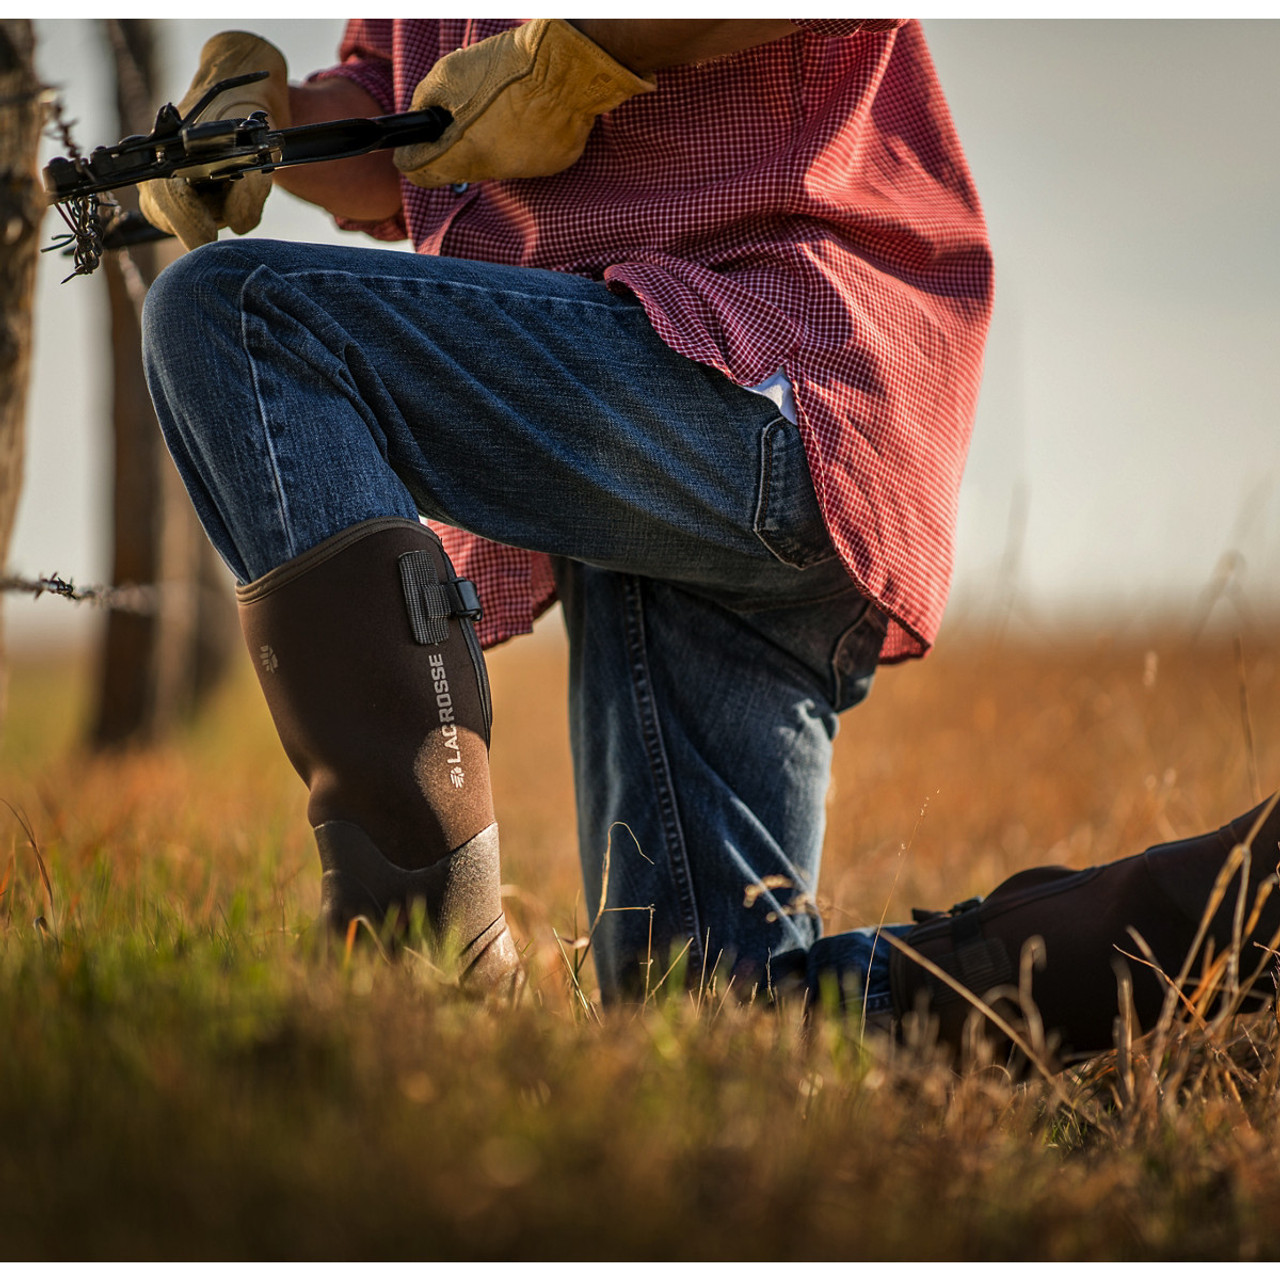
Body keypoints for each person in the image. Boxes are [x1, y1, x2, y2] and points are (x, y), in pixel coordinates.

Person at [139, 20, 1278, 1062]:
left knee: (237, 320)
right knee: (709, 1029)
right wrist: (273, 128)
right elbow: (413, 129)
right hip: (649, 409)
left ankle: (420, 991)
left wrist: (583, 45)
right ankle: (1242, 905)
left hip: (768, 369)